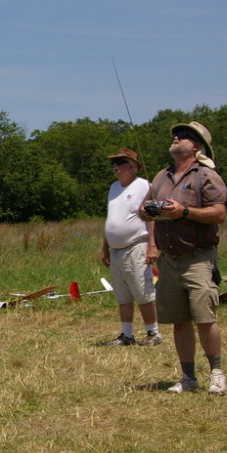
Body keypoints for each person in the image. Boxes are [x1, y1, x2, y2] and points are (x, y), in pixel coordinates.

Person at [138, 122, 227, 395]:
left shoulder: (206, 176)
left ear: (197, 145)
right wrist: (148, 211)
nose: (176, 138)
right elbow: (145, 212)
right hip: (168, 260)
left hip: (198, 258)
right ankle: (188, 377)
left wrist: (184, 212)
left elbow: (219, 214)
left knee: (205, 318)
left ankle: (216, 373)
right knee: (179, 320)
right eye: (176, 135)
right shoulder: (161, 176)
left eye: (184, 136)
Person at [101, 148, 161, 346]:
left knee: (142, 292)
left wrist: (152, 245)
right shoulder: (114, 188)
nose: (115, 166)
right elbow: (111, 220)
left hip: (136, 247)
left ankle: (153, 333)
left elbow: (152, 217)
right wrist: (105, 247)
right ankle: (127, 335)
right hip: (116, 250)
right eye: (113, 163)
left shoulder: (144, 186)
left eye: (119, 162)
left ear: (132, 166)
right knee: (122, 294)